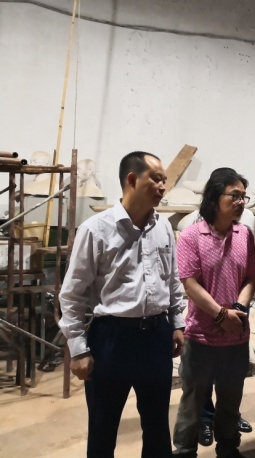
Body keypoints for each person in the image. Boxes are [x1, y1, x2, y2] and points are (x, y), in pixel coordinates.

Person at [59, 151, 186, 458]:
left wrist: (177, 323)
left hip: (155, 337)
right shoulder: (96, 229)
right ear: (132, 179)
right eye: (156, 179)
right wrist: (78, 349)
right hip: (111, 339)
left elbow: (172, 279)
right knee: (103, 427)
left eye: (165, 181)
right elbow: (72, 294)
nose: (163, 186)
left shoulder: (163, 227)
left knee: (157, 426)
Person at [172, 169, 255, 458]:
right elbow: (190, 283)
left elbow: (250, 277)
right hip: (201, 338)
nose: (241, 202)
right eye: (234, 195)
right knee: (192, 403)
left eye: (243, 197)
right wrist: (222, 316)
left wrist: (239, 310)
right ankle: (185, 450)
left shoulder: (244, 234)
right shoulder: (191, 235)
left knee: (231, 401)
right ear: (214, 197)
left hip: (236, 337)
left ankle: (228, 448)